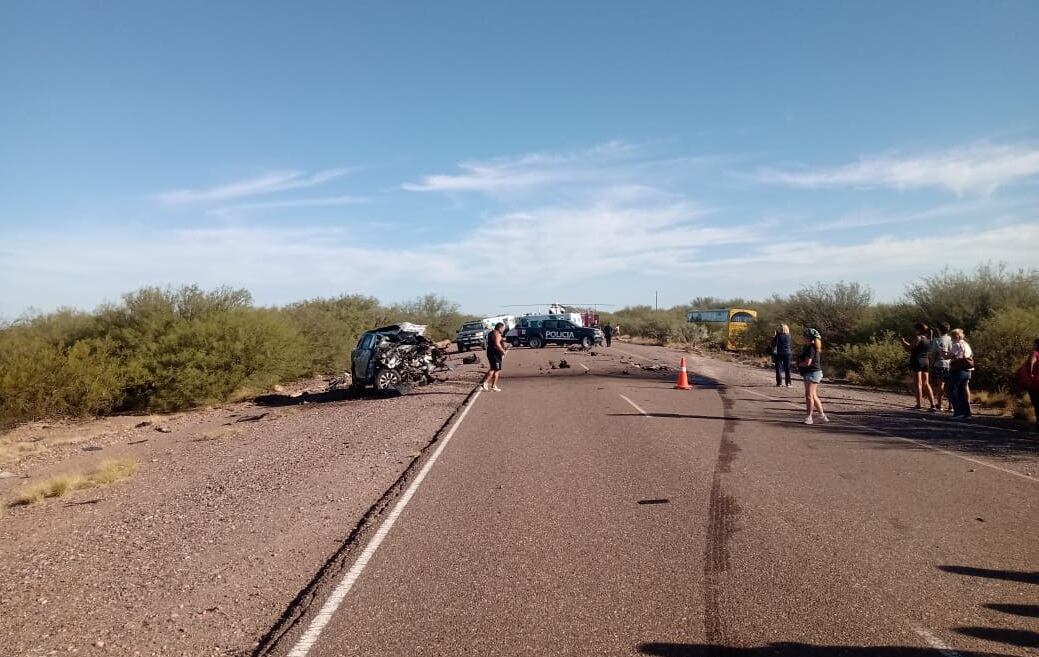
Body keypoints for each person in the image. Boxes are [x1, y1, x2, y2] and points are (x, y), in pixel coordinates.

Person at [901, 322, 936, 410]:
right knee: (926, 383)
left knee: (918, 383)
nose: (914, 331)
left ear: (919, 330)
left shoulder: (918, 338)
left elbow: (909, 348)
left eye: (915, 329)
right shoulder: (928, 339)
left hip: (917, 360)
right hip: (925, 361)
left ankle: (919, 404)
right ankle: (933, 404)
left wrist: (903, 342)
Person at [798, 328, 828, 425]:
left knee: (809, 396)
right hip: (810, 373)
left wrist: (798, 364)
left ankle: (809, 417)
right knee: (813, 396)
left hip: (813, 373)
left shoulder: (811, 347)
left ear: (809, 337)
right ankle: (822, 416)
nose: (804, 338)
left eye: (805, 336)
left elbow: (808, 363)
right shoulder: (809, 347)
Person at [944, 328, 974, 420]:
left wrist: (942, 352)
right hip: (968, 370)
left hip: (958, 370)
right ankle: (967, 413)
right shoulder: (966, 344)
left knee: (952, 390)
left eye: (952, 336)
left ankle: (958, 413)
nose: (951, 338)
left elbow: (948, 356)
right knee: (963, 392)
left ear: (956, 336)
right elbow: (970, 355)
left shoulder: (956, 345)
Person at [929, 322, 953, 412]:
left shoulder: (937, 340)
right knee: (949, 386)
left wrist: (931, 366)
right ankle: (951, 405)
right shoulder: (951, 339)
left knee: (940, 385)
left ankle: (940, 404)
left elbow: (934, 354)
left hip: (939, 364)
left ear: (939, 330)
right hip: (949, 364)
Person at [1017, 338, 1039, 432]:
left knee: (1037, 405)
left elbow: (1031, 361)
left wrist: (1030, 373)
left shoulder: (1035, 353)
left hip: (1035, 383)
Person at [481, 322, 509, 392]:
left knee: (494, 369)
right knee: (495, 370)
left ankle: (493, 385)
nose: (503, 330)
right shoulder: (497, 334)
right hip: (494, 354)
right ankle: (486, 383)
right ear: (500, 328)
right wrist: (503, 351)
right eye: (503, 329)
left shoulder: (491, 333)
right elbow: (497, 344)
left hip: (491, 353)